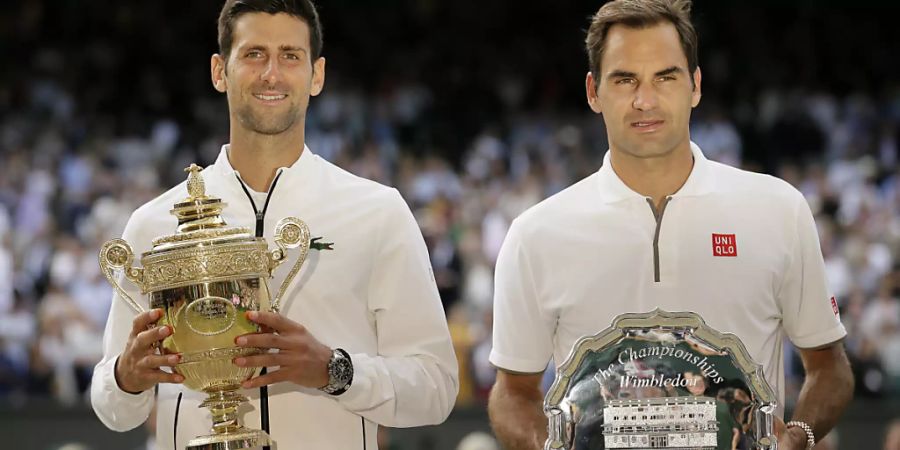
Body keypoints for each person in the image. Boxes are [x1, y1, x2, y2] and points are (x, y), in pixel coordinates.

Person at [90, 1, 458, 448]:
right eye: (254, 54)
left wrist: (334, 370)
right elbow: (113, 410)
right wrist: (126, 377)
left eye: (290, 55)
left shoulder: (377, 211)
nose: (272, 74)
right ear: (219, 71)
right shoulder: (155, 223)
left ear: (316, 75)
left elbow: (436, 388)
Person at [487, 1, 853, 449]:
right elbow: (511, 393)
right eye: (625, 80)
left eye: (666, 76)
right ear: (593, 91)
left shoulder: (779, 209)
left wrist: (800, 436)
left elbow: (829, 365)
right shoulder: (535, 234)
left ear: (695, 85)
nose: (645, 100)